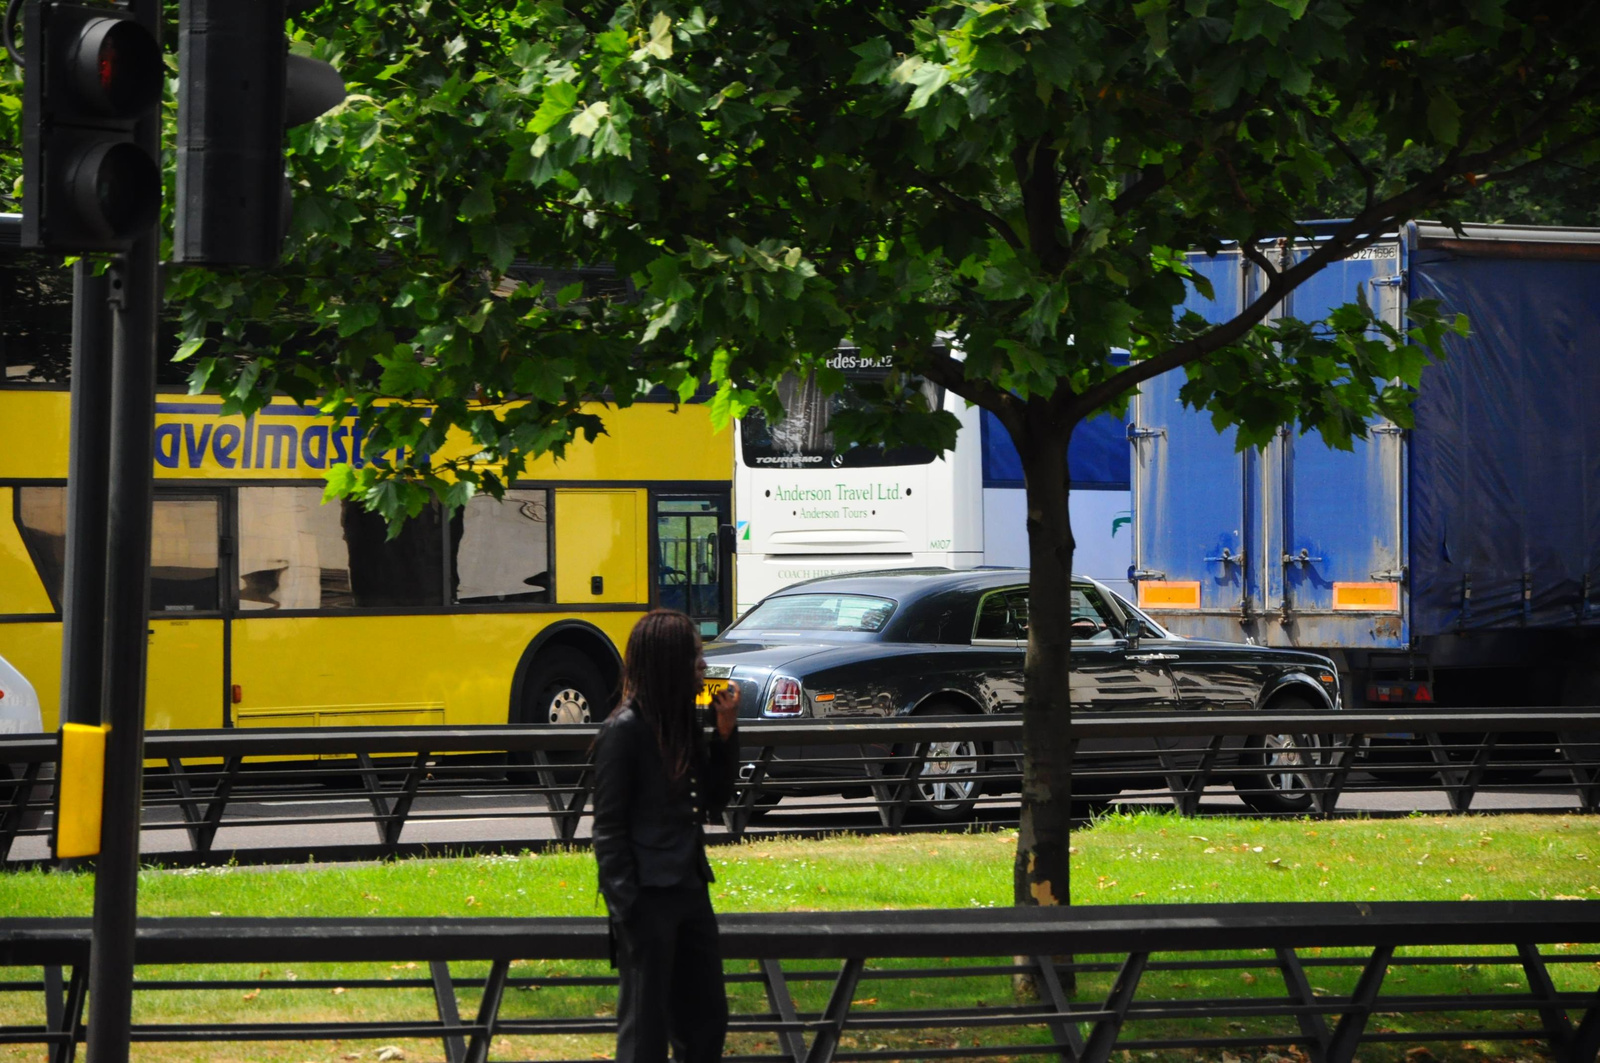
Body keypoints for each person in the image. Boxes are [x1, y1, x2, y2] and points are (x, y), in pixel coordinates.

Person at [592, 610, 742, 1062]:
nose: (703, 665)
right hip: (647, 897)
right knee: (645, 1033)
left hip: (690, 889)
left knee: (707, 1021)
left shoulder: (681, 723)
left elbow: (714, 798)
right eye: (695, 655)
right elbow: (608, 829)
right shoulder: (625, 730)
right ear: (668, 661)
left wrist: (726, 733)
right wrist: (628, 907)